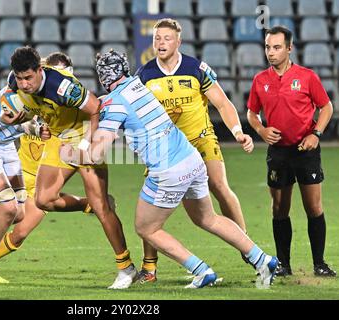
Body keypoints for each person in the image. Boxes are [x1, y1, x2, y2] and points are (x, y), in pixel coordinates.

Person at [61, 49, 278, 289]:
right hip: (192, 160)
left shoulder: (114, 104)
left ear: (102, 76)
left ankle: (201, 270)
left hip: (168, 171)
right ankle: (262, 258)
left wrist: (69, 150)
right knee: (208, 218)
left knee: (146, 228)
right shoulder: (138, 85)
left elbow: (97, 153)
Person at [0, 47, 137, 289]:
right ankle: (84, 205)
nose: (24, 84)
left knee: (101, 206)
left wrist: (88, 144)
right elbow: (8, 108)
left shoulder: (62, 87)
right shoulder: (16, 82)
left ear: (40, 71)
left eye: (29, 78)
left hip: (81, 133)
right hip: (58, 138)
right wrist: (18, 121)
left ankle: (126, 268)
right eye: (20, 78)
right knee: (42, 200)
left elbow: (95, 108)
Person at [134, 18, 254, 283]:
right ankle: (150, 268)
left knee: (220, 186)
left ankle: (248, 247)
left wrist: (237, 132)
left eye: (166, 38)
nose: (161, 43)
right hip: (166, 149)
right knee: (151, 206)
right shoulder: (144, 74)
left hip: (200, 140)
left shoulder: (195, 68)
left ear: (179, 41)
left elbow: (222, 103)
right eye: (156, 38)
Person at [246, 26, 336, 277]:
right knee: (279, 209)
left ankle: (320, 264)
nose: (271, 53)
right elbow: (252, 113)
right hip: (278, 153)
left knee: (314, 207)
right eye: (267, 47)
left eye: (276, 47)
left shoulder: (307, 77)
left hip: (304, 151)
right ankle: (284, 265)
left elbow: (326, 107)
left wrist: (315, 134)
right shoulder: (260, 80)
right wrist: (261, 131)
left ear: (289, 48)